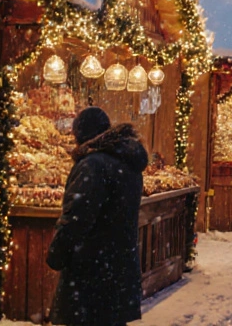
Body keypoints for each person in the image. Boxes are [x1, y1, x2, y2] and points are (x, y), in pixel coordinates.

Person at [47, 107, 146, 326]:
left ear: (81, 134)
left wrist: (56, 253)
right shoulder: (128, 163)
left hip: (92, 275)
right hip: (117, 272)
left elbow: (77, 218)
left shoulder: (94, 165)